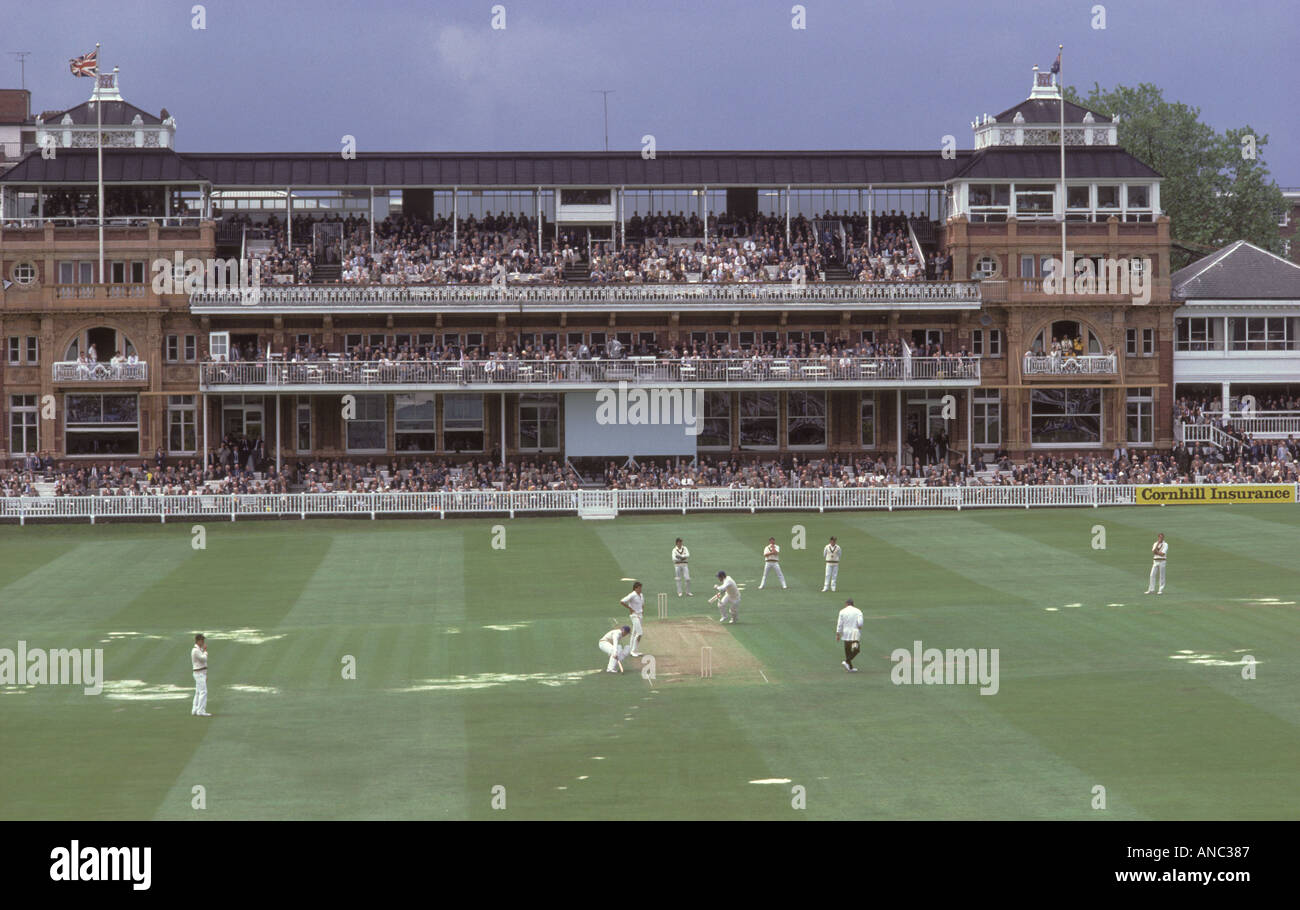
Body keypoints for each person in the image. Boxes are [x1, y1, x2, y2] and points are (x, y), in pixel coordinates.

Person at [836, 598, 864, 672]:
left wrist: (838, 633)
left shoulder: (842, 611)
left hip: (846, 633)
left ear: (846, 604)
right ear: (853, 604)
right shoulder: (858, 611)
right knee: (856, 649)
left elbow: (839, 624)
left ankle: (849, 666)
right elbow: (860, 623)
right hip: (854, 633)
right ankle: (847, 662)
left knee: (847, 649)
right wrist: (859, 627)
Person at [621, 582, 645, 657]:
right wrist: (630, 609)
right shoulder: (632, 594)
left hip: (640, 615)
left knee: (634, 633)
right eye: (639, 588)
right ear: (635, 588)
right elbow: (622, 601)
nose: (640, 589)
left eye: (641, 588)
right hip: (634, 616)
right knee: (640, 633)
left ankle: (633, 650)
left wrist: (641, 611)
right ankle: (633, 651)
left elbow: (642, 604)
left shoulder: (641, 595)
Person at [191, 634, 211, 716]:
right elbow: (203, 659)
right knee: (203, 691)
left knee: (198, 692)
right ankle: (201, 711)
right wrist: (205, 652)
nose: (203, 642)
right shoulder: (195, 650)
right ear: (198, 641)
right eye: (202, 640)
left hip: (200, 673)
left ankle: (195, 710)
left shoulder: (198, 650)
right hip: (199, 673)